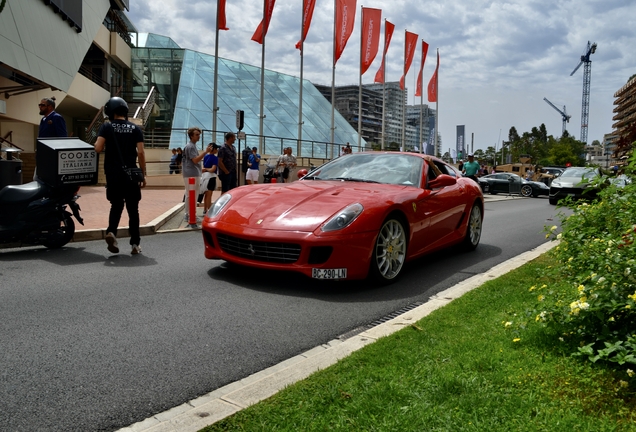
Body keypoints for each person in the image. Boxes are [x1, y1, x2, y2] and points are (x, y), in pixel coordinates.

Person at [94, 97, 146, 255]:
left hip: (113, 173)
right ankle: (135, 244)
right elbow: (141, 152)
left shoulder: (106, 127)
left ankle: (111, 232)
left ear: (111, 111)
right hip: (131, 174)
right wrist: (142, 174)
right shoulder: (135, 129)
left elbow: (98, 148)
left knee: (116, 205)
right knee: (133, 209)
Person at [182, 127, 207, 222]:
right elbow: (195, 160)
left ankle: (189, 214)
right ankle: (189, 214)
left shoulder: (191, 146)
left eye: (199, 134)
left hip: (191, 172)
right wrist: (205, 152)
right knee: (192, 194)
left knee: (191, 194)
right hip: (191, 173)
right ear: (191, 136)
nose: (199, 136)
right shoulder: (191, 146)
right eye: (196, 135)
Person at [201, 143, 219, 214]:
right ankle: (209, 211)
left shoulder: (205, 156)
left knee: (206, 194)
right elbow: (213, 169)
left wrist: (205, 169)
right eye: (216, 149)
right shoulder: (215, 158)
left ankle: (205, 209)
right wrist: (207, 169)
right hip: (211, 177)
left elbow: (203, 167)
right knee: (209, 194)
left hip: (204, 177)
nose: (217, 150)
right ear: (213, 149)